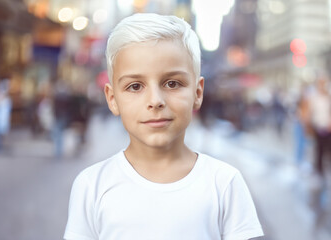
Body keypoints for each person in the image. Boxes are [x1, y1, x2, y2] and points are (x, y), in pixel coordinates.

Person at [64, 13, 264, 240]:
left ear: (197, 94)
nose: (155, 100)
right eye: (135, 86)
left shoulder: (224, 183)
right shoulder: (92, 185)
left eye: (172, 83)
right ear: (112, 99)